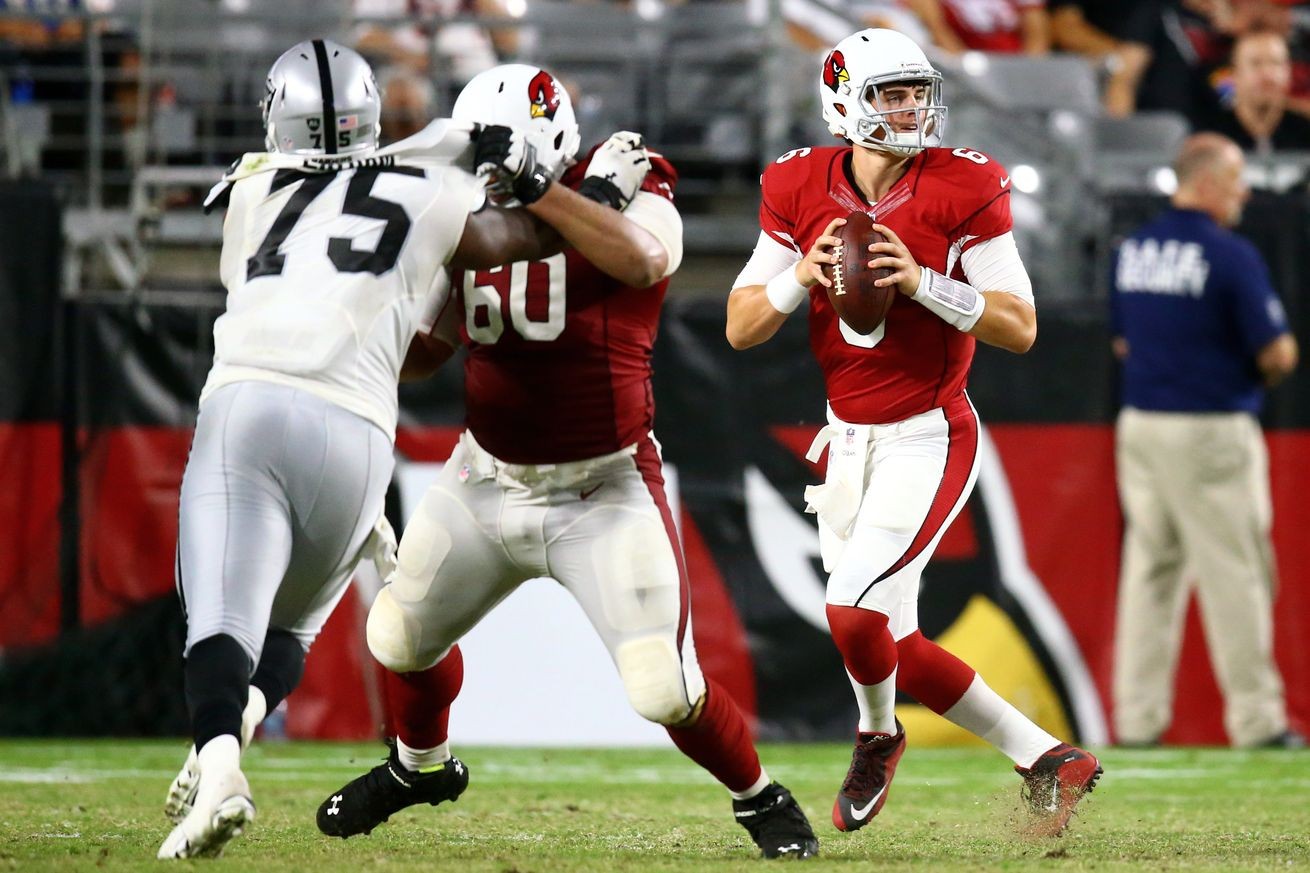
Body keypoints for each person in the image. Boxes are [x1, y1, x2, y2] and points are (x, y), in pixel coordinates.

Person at [312, 63, 820, 861]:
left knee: (664, 686)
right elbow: (430, 351)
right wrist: (364, 326)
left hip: (604, 485)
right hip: (485, 477)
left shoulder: (627, 174)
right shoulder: (467, 208)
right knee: (399, 638)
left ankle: (759, 797)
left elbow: (647, 261)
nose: (488, 182)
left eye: (502, 165)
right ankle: (419, 770)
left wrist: (545, 189)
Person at [156, 40, 564, 860]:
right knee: (294, 632)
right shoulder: (434, 169)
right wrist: (545, 178)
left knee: (222, 619)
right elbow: (505, 241)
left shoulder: (250, 189)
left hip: (254, 402)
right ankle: (232, 722)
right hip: (360, 437)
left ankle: (224, 762)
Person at [724, 28, 1102, 837]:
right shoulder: (796, 185)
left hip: (929, 435)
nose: (911, 108)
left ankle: (877, 733)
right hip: (846, 438)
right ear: (842, 102)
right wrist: (800, 271)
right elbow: (741, 326)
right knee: (893, 636)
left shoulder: (963, 185)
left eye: (916, 92)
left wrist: (927, 283)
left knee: (853, 611)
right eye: (891, 94)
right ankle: (1050, 758)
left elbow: (1022, 326)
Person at [1110, 132, 1301, 750]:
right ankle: (1258, 720)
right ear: (1210, 181)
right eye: (1237, 178)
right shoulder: (1230, 254)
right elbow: (1274, 351)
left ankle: (1135, 721)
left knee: (1150, 572)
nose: (1244, 191)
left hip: (1140, 426)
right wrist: (1275, 364)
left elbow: (1121, 342)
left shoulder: (1133, 249)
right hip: (1210, 428)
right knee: (1236, 571)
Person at [1198, 28, 1310, 154]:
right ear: (1234, 74)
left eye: (1276, 63)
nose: (1267, 75)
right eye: (1255, 64)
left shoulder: (1305, 129)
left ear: (1288, 72)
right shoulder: (1210, 135)